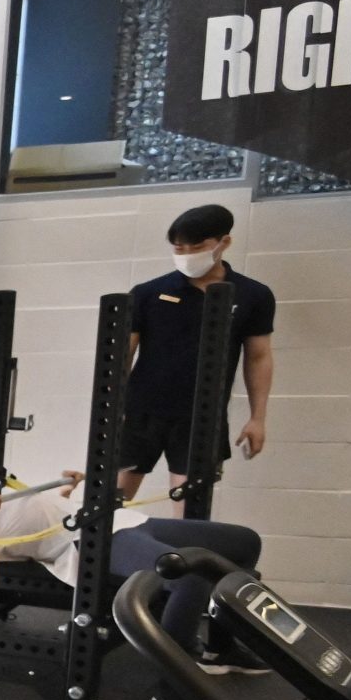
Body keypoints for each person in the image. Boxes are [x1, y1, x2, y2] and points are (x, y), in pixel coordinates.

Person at [0, 473, 267, 700]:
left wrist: (67, 489)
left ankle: (219, 648)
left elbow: (42, 514)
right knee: (188, 578)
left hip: (125, 521)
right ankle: (173, 693)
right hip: (91, 539)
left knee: (244, 542)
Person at [119, 203, 276, 502]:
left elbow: (258, 357)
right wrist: (113, 410)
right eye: (179, 248)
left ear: (223, 243)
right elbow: (122, 354)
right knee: (111, 505)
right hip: (141, 412)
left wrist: (258, 418)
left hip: (201, 415)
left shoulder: (253, 295)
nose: (187, 255)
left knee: (190, 509)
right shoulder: (148, 293)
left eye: (197, 247)